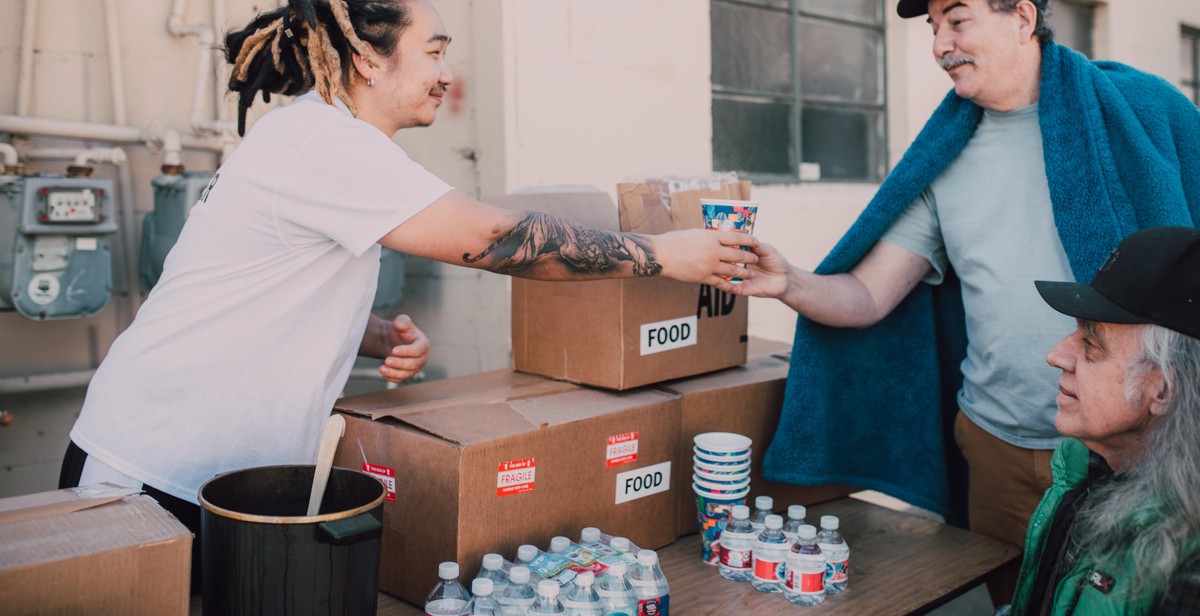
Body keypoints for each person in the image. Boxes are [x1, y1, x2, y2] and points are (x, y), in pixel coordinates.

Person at [57, 0, 757, 593]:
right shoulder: (324, 142)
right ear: (367, 57)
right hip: (147, 477)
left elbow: (254, 284)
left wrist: (373, 334)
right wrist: (662, 254)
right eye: (433, 53)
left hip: (215, 480)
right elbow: (493, 240)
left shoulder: (316, 140)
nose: (445, 75)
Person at [728, 0, 1200, 605]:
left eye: (957, 20)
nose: (939, 44)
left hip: (1126, 454)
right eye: (933, 28)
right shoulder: (945, 156)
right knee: (1013, 601)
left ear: (1022, 18)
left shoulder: (1131, 116)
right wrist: (789, 281)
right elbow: (870, 294)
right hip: (995, 445)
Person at [1001, 226, 1200, 614]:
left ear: (1162, 389)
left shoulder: (1190, 572)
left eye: (1091, 344)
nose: (1057, 355)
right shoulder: (1085, 469)